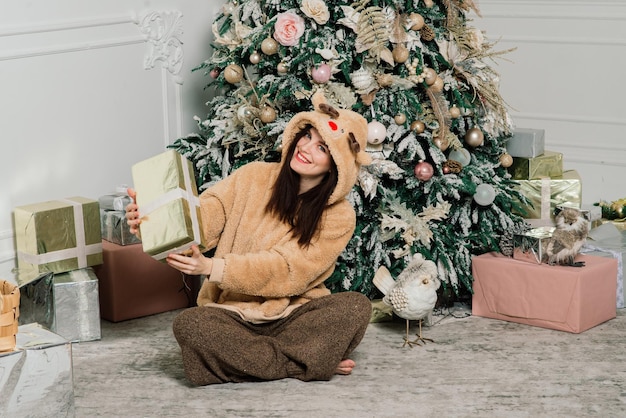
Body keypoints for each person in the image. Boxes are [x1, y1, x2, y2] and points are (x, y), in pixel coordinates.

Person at [126, 90, 373, 385]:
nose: (305, 148)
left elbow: (290, 271)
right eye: (306, 136)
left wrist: (211, 268)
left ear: (336, 166)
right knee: (190, 326)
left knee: (356, 307)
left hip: (294, 315)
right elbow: (205, 218)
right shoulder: (253, 176)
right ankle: (303, 362)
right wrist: (154, 218)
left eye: (321, 148)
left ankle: (249, 362)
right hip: (232, 314)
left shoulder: (339, 215)